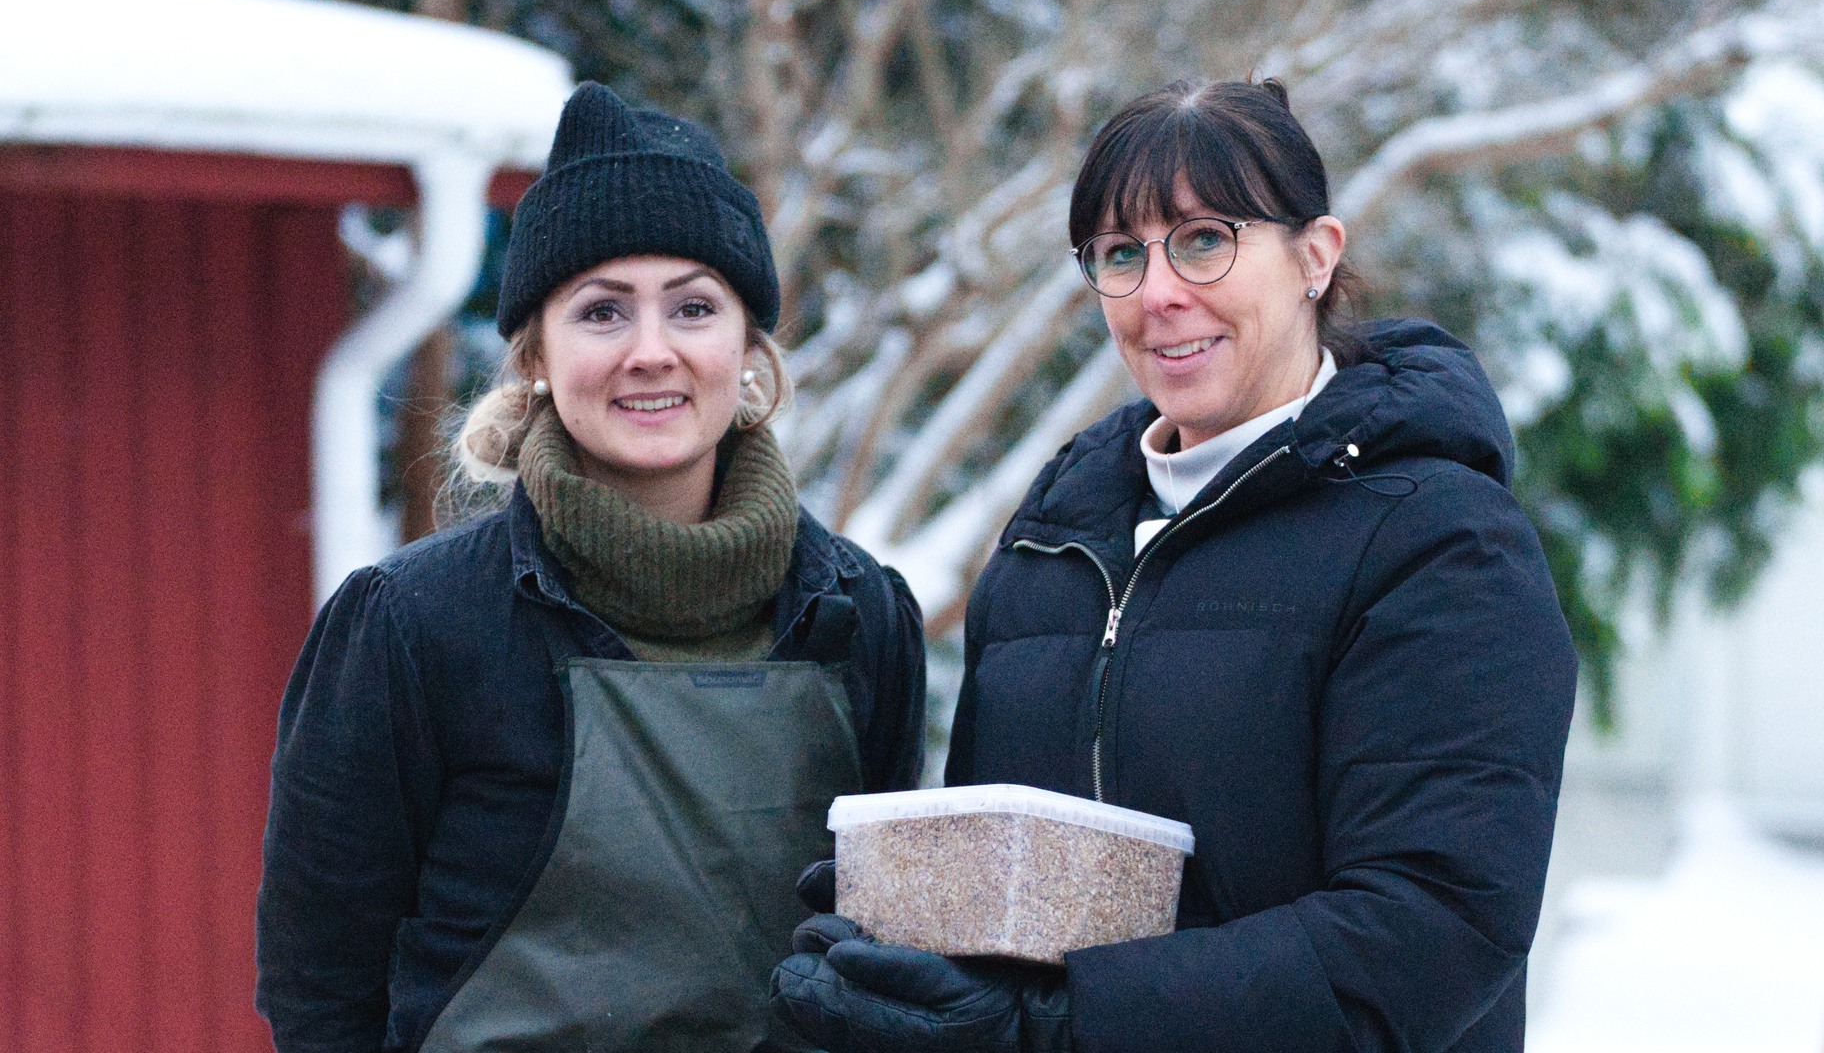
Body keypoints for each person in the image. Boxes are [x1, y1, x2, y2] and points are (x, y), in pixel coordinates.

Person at [771, 77, 1576, 1052]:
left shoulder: (1441, 543)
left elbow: (1429, 932)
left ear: (1316, 256)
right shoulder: (1054, 539)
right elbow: (1018, 890)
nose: (1159, 293)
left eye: (1205, 239)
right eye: (1120, 254)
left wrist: (1056, 1031)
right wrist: (912, 918)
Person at [257, 82, 925, 1053]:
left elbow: (888, 952)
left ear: (746, 346)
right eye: (603, 313)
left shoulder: (861, 615)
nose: (651, 353)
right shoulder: (411, 624)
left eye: (694, 307)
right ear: (535, 353)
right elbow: (321, 986)